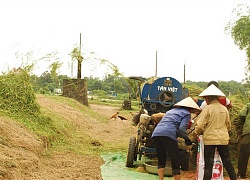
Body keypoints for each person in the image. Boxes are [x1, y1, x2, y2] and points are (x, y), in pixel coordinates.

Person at [192, 84, 237, 180]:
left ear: (207, 98)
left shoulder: (207, 109)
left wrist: (196, 133)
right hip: (223, 139)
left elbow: (200, 126)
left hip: (210, 140)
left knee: (208, 165)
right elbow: (228, 125)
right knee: (228, 163)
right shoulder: (224, 108)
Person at [151, 97, 201, 180]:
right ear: (190, 108)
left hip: (156, 134)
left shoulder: (170, 111)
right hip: (168, 134)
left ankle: (161, 179)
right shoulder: (186, 114)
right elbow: (182, 129)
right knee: (175, 160)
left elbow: (171, 125)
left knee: (161, 158)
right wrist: (187, 139)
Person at [237, 103, 250, 179]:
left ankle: (241, 174)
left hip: (248, 132)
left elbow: (241, 114)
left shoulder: (248, 105)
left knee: (244, 153)